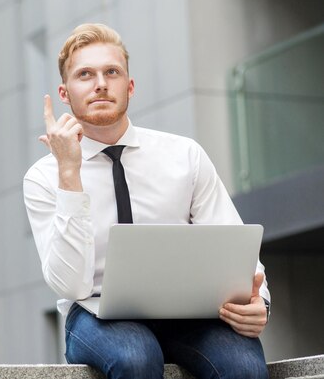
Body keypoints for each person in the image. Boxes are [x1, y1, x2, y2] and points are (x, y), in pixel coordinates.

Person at [23, 23, 271, 379]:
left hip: (190, 311)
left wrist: (258, 303)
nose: (101, 84)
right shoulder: (44, 177)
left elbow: (233, 241)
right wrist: (69, 175)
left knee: (244, 367)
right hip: (96, 314)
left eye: (112, 72)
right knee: (134, 356)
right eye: (85, 75)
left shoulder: (184, 154)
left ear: (130, 86)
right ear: (65, 93)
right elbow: (71, 285)